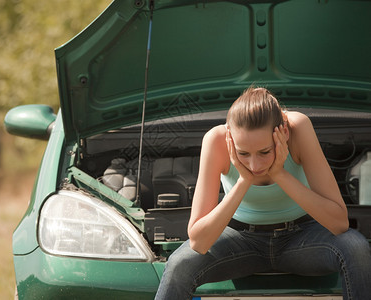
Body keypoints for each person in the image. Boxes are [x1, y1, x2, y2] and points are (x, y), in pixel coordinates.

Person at [155, 87, 371, 300]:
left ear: (283, 132)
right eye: (243, 154)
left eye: (264, 152)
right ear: (230, 137)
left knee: (356, 248)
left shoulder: (298, 128)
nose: (254, 165)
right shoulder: (215, 140)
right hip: (240, 240)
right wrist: (243, 181)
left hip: (302, 238)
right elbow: (198, 243)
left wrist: (280, 174)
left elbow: (339, 223)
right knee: (178, 265)